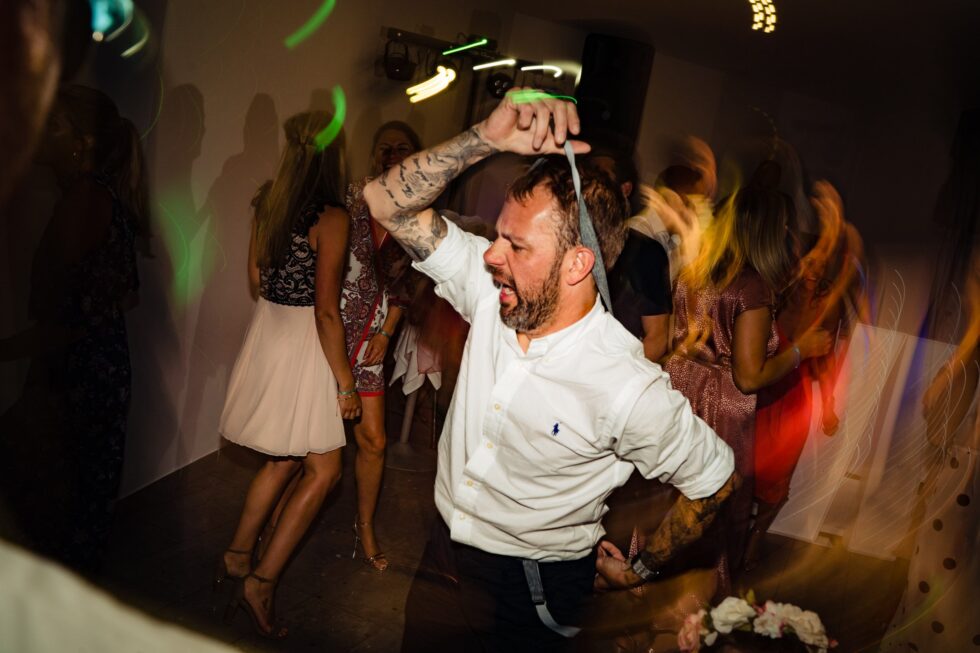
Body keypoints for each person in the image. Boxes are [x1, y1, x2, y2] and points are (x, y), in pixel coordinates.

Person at [361, 89, 737, 652]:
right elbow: (383, 202)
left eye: (516, 245)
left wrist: (642, 569)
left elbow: (714, 479)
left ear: (577, 263)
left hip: (530, 587)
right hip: (442, 558)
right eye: (497, 236)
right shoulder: (490, 290)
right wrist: (484, 139)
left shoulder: (624, 384)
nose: (492, 254)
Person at [215, 111, 357, 639]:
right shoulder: (331, 216)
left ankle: (234, 556)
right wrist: (345, 382)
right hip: (304, 342)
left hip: (269, 332)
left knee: (281, 462)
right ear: (333, 154)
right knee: (324, 473)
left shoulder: (268, 201)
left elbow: (255, 277)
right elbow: (325, 310)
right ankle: (262, 580)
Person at [664, 162, 832, 597]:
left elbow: (672, 340)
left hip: (677, 392)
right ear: (767, 232)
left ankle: (648, 591)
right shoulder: (752, 289)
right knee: (714, 512)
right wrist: (801, 351)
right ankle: (696, 607)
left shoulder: (695, 271)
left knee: (668, 500)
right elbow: (749, 375)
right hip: (721, 406)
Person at [0, 85, 146, 574]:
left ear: (81, 142)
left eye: (54, 124)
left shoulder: (84, 200)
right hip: (96, 369)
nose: (41, 132)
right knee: (75, 507)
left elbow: (64, 322)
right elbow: (126, 293)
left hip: (79, 379)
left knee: (60, 512)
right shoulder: (99, 195)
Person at [341, 121, 419, 571]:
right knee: (311, 441)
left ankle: (364, 526)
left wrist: (387, 333)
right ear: (374, 154)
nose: (392, 153)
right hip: (331, 331)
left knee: (373, 439)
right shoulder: (352, 197)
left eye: (402, 148)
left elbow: (409, 284)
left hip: (372, 337)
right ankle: (277, 516)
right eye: (384, 146)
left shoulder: (417, 212)